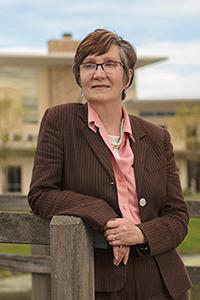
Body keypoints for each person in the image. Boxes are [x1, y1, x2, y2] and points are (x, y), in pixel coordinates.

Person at [28, 28, 191, 300]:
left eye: (110, 64)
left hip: (163, 282)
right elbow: (41, 194)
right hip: (100, 282)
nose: (98, 73)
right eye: (89, 65)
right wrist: (104, 215)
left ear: (127, 77)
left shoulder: (156, 136)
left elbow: (178, 217)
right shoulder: (60, 121)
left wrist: (139, 233)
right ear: (79, 76)